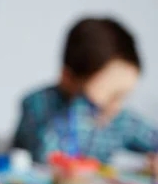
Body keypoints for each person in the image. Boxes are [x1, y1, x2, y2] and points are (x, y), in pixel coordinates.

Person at [13, 17, 158, 164]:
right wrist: (81, 110)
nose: (116, 105)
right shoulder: (36, 104)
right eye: (109, 95)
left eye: (123, 95)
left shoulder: (118, 118)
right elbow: (47, 156)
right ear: (67, 78)